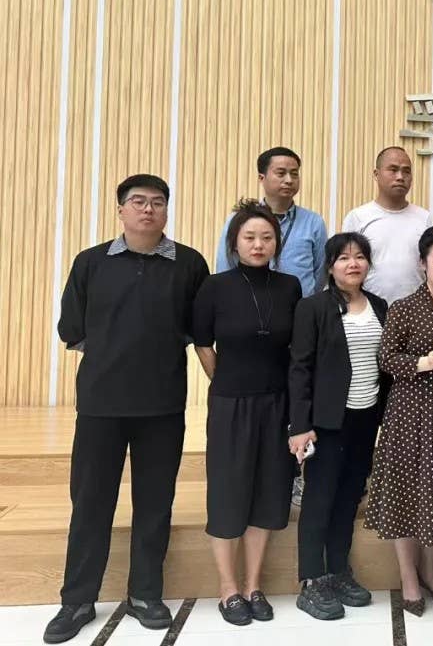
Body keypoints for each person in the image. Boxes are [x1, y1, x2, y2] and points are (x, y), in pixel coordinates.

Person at [45, 175, 209, 644]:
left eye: (157, 202)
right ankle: (77, 600)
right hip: (101, 404)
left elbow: (198, 327)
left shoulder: (189, 264)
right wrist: (114, 352)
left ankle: (145, 594)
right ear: (121, 210)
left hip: (163, 404)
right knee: (90, 503)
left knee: (155, 504)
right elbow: (71, 328)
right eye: (138, 202)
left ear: (166, 211)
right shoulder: (91, 262)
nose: (148, 209)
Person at [194, 200, 302, 625]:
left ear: (277, 243)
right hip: (230, 404)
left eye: (267, 237)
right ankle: (228, 588)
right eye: (250, 237)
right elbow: (202, 342)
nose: (258, 244)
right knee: (228, 492)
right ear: (234, 243)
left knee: (268, 493)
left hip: (276, 402)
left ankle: (254, 584)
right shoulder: (214, 286)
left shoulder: (290, 287)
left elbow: (295, 348)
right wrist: (223, 379)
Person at [365, 225, 433, 617]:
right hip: (411, 414)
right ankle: (408, 577)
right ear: (423, 264)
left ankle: (432, 571)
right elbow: (385, 359)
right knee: (407, 494)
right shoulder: (404, 308)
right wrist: (420, 363)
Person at [288, 233, 390, 621]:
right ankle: (311, 580)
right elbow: (299, 368)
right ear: (330, 266)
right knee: (319, 499)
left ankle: (337, 570)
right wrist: (300, 425)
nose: (353, 264)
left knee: (348, 498)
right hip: (327, 422)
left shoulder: (379, 305)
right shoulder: (313, 307)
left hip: (365, 418)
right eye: (344, 258)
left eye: (360, 257)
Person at [215, 147, 328, 297]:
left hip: (300, 306)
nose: (289, 180)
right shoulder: (239, 219)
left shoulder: (313, 222)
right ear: (261, 178)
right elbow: (226, 265)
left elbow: (321, 273)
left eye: (294, 174)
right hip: (249, 303)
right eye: (281, 173)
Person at [342, 147, 432, 303]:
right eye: (393, 170)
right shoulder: (358, 217)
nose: (400, 177)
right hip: (369, 308)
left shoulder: (424, 218)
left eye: (406, 171)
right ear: (376, 174)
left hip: (415, 309)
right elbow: (345, 268)